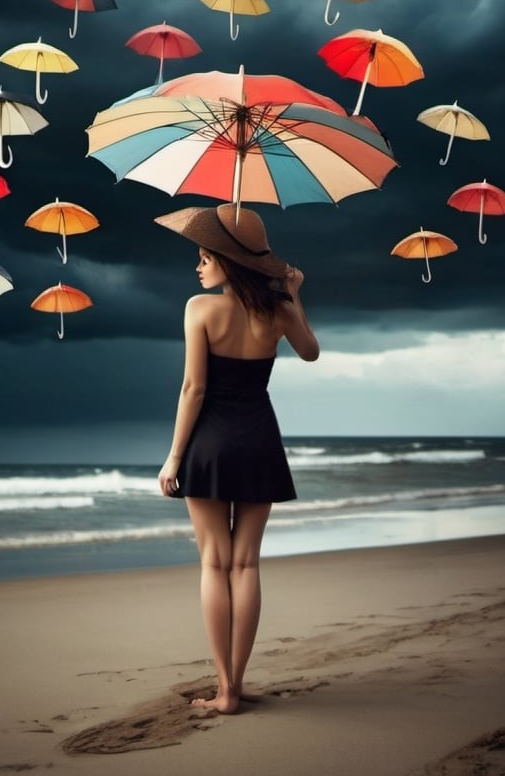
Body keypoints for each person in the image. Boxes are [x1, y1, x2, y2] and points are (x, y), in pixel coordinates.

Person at [154, 202, 319, 715]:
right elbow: (311, 352)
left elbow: (193, 388)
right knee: (246, 565)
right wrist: (292, 297)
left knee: (215, 563)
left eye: (206, 256)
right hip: (260, 440)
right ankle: (237, 685)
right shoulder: (276, 312)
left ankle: (224, 689)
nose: (198, 265)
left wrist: (173, 457)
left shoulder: (199, 309)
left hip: (210, 443)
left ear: (229, 260)